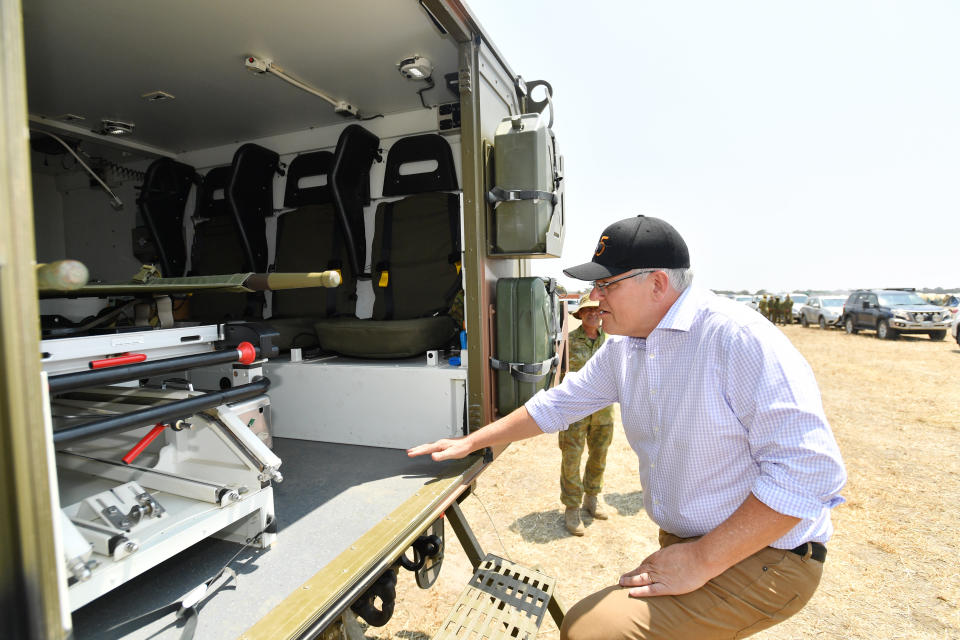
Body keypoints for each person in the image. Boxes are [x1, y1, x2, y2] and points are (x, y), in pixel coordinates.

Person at [408, 215, 846, 640]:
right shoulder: (628, 348)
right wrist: (473, 441)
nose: (594, 298)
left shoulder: (737, 338)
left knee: (589, 630)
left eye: (606, 284)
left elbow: (809, 474)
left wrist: (701, 559)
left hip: (770, 553)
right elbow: (558, 404)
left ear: (656, 283)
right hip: (695, 543)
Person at [560, 293, 614, 536]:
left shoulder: (612, 342)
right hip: (576, 411)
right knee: (572, 458)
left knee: (599, 456)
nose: (593, 313)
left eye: (597, 310)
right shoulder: (567, 342)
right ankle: (572, 508)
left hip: (603, 412)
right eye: (587, 310)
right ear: (580, 314)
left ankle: (592, 498)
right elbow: (559, 376)